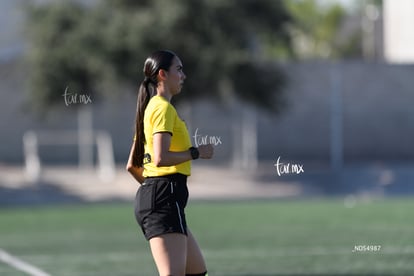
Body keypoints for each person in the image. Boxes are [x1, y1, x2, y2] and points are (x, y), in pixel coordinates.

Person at [126, 50, 213, 276]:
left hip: (161, 197)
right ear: (163, 74)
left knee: (196, 271)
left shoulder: (151, 108)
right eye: (179, 69)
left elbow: (132, 166)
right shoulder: (162, 108)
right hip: (164, 198)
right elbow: (161, 158)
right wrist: (196, 153)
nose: (183, 75)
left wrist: (152, 190)